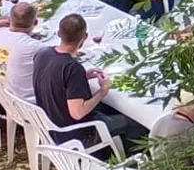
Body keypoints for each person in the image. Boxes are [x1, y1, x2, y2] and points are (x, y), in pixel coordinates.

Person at [35, 13, 142, 144]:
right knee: (137, 124)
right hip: (74, 134)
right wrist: (102, 91)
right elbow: (77, 113)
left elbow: (54, 79)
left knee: (110, 109)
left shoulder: (42, 53)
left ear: (58, 33)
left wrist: (82, 78)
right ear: (85, 37)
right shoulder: (72, 68)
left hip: (49, 122)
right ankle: (117, 157)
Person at [0, 0, 44, 101]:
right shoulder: (35, 47)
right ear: (35, 23)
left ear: (8, 20)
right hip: (31, 102)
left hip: (5, 97)